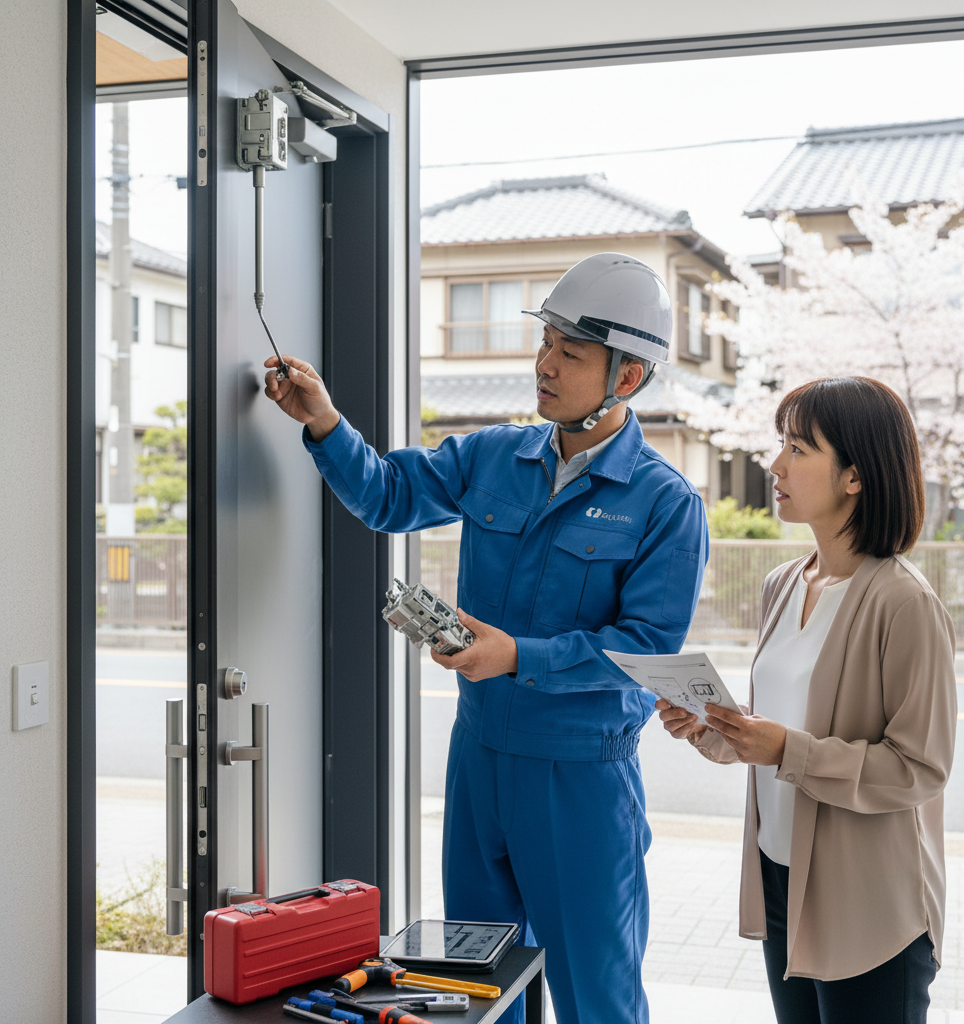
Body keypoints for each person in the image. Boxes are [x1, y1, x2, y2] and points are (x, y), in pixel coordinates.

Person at [264, 253, 710, 1024]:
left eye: (571, 355)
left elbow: (645, 652)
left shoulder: (665, 504)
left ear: (627, 378)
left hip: (580, 783)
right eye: (545, 344)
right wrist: (324, 421)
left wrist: (516, 656)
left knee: (595, 999)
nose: (544, 365)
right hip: (479, 765)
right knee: (474, 995)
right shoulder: (495, 455)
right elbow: (388, 495)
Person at [658, 376, 957, 1024]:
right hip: (781, 880)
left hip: (870, 906)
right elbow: (779, 735)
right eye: (780, 445)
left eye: (798, 448)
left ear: (854, 475)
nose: (776, 465)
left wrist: (788, 750)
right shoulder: (782, 584)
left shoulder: (905, 603)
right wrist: (711, 728)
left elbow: (919, 769)